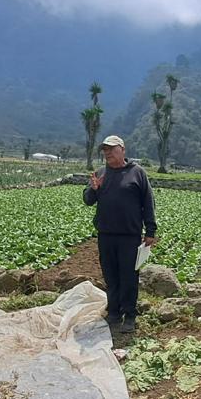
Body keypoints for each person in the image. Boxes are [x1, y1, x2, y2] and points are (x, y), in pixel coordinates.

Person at [83, 135, 157, 333]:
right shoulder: (101, 173)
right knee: (110, 275)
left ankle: (130, 314)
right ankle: (114, 311)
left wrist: (150, 231)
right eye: (105, 150)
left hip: (129, 235)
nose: (107, 153)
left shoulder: (137, 173)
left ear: (122, 150)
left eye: (111, 149)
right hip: (106, 234)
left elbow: (148, 203)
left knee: (129, 276)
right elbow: (88, 200)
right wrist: (93, 189)